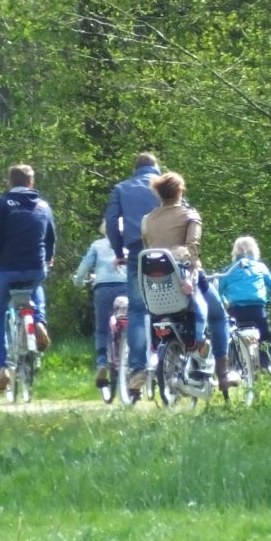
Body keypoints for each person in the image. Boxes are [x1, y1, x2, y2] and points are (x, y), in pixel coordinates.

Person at [139, 171, 230, 399]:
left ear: (159, 193)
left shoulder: (147, 220)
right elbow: (193, 249)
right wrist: (189, 275)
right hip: (186, 283)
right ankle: (223, 374)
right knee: (220, 317)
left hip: (157, 289)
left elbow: (149, 250)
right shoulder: (190, 216)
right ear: (181, 192)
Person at [0, 163, 56, 392]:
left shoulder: (3, 204)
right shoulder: (43, 206)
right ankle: (38, 321)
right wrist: (48, 259)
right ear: (31, 183)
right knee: (36, 285)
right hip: (36, 267)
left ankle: (2, 367)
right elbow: (50, 238)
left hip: (7, 269)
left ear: (10, 182)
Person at [104, 152, 161, 397]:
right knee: (169, 306)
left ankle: (138, 370)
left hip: (138, 252)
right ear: (156, 167)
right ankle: (170, 359)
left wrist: (119, 250)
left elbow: (111, 221)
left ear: (134, 168)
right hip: (167, 253)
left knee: (138, 310)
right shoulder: (166, 184)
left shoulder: (122, 188)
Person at [215, 235, 271, 371]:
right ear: (254, 250)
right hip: (257, 309)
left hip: (236, 310)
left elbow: (218, 292)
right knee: (265, 334)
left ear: (235, 252)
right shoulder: (260, 267)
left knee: (233, 333)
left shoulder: (228, 270)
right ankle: (266, 362)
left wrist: (224, 303)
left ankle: (235, 363)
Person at [71, 221, 128, 387]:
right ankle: (130, 358)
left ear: (105, 230)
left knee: (102, 328)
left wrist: (78, 281)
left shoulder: (97, 245)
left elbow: (84, 266)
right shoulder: (130, 246)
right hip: (125, 287)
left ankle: (102, 363)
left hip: (102, 288)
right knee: (130, 321)